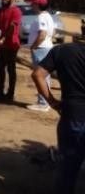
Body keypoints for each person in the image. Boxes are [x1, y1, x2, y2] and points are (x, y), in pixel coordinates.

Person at [31, 42, 85, 193]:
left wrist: (52, 102)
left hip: (72, 116)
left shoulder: (63, 50)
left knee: (68, 169)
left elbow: (37, 74)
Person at [27, 0, 56, 112]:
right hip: (45, 48)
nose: (31, 6)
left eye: (33, 4)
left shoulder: (41, 17)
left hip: (41, 49)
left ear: (37, 4)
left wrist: (33, 46)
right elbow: (51, 33)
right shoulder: (48, 15)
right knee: (45, 76)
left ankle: (43, 102)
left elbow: (42, 34)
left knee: (40, 76)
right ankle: (45, 101)